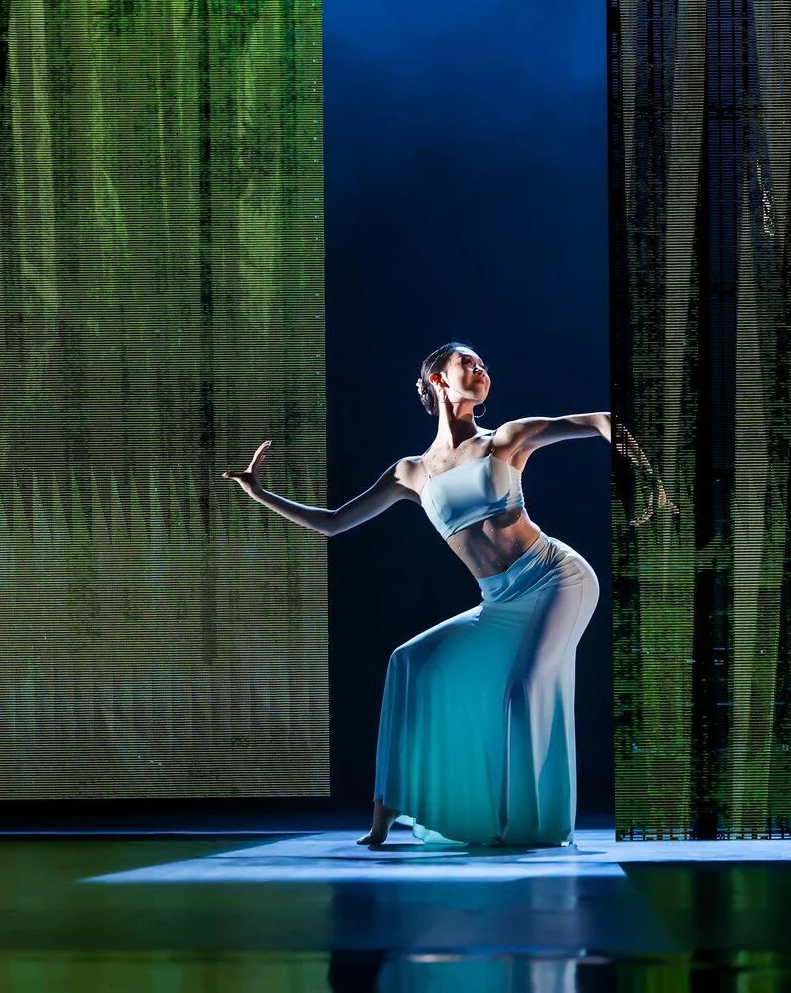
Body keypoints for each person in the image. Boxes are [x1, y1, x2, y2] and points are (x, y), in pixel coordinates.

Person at [223, 341, 670, 848]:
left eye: (484, 366)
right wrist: (260, 493)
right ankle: (383, 816)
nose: (482, 370)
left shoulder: (504, 440)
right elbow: (333, 523)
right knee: (408, 661)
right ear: (437, 378)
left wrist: (650, 482)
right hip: (498, 601)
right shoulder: (409, 473)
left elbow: (602, 420)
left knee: (522, 689)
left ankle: (524, 823)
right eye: (469, 363)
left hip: (555, 579)